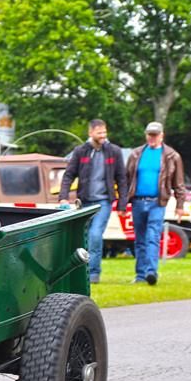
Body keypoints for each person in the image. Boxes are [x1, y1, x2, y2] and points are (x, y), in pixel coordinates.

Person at [58, 119, 128, 283]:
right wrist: (63, 196)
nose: (103, 135)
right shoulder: (81, 151)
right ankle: (82, 273)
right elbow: (69, 175)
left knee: (95, 235)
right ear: (90, 133)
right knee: (83, 237)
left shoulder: (114, 151)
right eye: (99, 133)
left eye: (105, 132)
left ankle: (94, 274)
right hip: (84, 202)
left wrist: (122, 204)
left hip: (104, 202)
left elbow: (122, 179)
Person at [125, 122, 186, 285]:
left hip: (157, 202)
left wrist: (180, 205)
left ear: (161, 135)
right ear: (146, 135)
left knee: (152, 237)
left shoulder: (172, 156)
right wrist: (123, 204)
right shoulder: (136, 154)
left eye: (155, 135)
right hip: (137, 202)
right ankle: (140, 275)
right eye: (149, 135)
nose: (152, 138)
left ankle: (151, 272)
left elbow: (179, 183)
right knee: (139, 240)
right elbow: (126, 180)